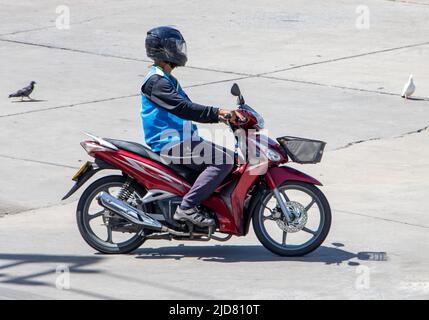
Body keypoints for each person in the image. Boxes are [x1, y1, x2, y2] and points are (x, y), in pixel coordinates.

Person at [140, 26, 244, 227]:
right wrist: (217, 112)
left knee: (232, 158)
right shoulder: (157, 82)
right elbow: (184, 109)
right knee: (223, 161)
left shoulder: (166, 79)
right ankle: (186, 208)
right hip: (171, 142)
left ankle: (203, 203)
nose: (180, 50)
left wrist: (223, 118)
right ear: (165, 49)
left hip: (182, 138)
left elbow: (188, 109)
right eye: (176, 46)